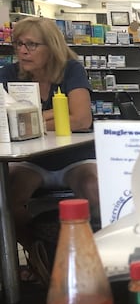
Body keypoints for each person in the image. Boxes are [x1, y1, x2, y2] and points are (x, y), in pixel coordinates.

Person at [0, 17, 99, 282]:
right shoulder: (9, 75)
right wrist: (57, 114)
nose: (23, 51)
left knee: (94, 188)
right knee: (7, 198)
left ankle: (93, 255)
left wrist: (30, 118)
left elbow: (81, 119)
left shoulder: (71, 70)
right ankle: (37, 253)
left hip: (74, 158)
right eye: (19, 44)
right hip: (31, 160)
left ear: (51, 46)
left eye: (32, 44)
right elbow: (4, 121)